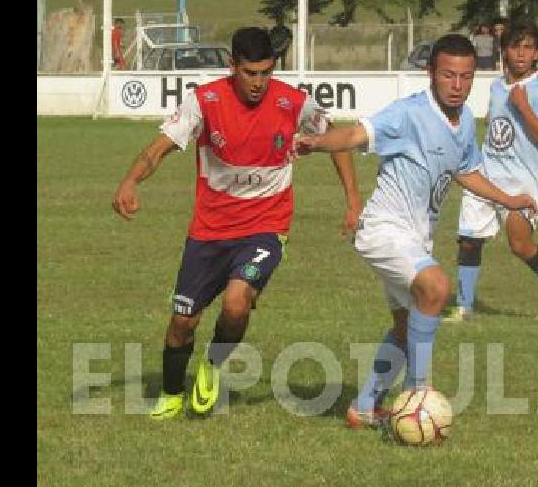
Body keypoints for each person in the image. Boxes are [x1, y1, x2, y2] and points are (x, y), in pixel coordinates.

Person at [111, 27, 361, 420]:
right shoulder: (204, 102)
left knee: (237, 301)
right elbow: (159, 148)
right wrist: (130, 180)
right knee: (182, 321)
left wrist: (352, 200)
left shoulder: (293, 102)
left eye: (266, 72)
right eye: (250, 73)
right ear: (232, 66)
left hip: (266, 225)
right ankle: (173, 394)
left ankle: (212, 366)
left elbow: (335, 138)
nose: (259, 82)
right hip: (209, 231)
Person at [295, 34, 538, 427]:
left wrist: (509, 200)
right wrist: (317, 142)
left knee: (407, 326)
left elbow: (468, 172)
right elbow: (357, 134)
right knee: (437, 288)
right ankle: (417, 395)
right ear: (431, 73)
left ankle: (364, 407)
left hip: (414, 237)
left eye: (466, 77)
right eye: (448, 75)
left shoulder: (462, 124)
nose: (457, 86)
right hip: (383, 230)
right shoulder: (409, 113)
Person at [446, 22, 538, 323]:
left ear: (537, 54)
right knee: (469, 240)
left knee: (519, 244)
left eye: (528, 47)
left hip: (521, 182)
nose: (520, 53)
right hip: (486, 174)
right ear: (504, 50)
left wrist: (524, 107)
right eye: (515, 46)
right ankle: (464, 307)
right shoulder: (495, 86)